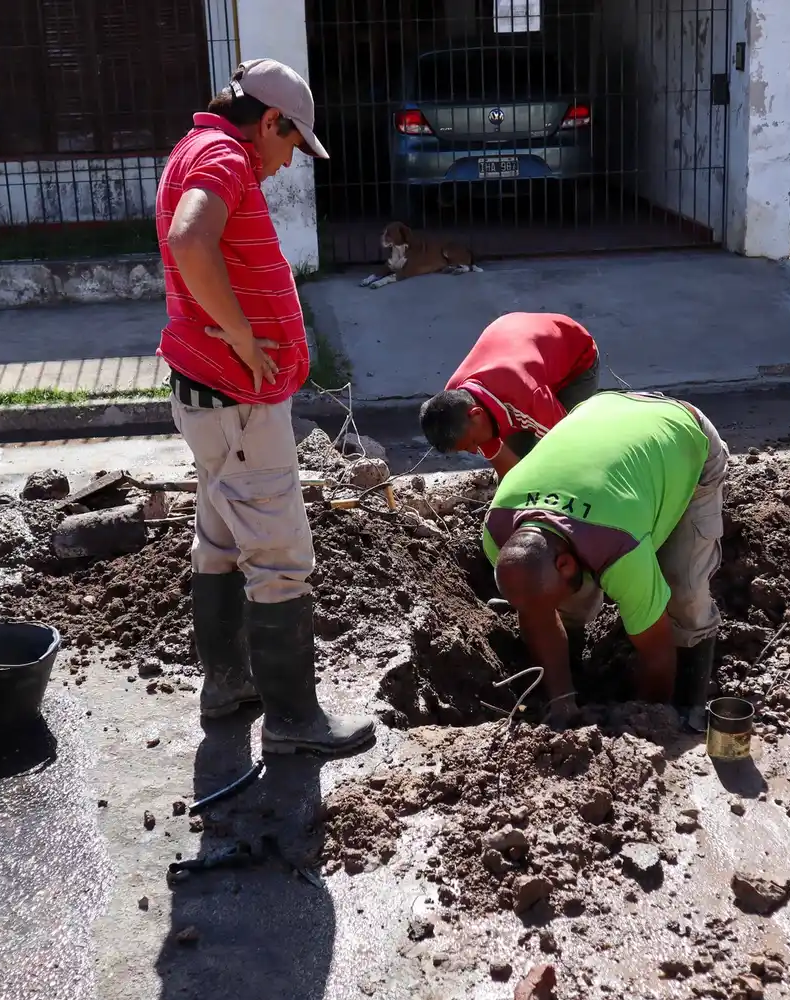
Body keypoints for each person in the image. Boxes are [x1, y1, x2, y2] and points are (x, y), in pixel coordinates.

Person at [156, 58, 374, 755]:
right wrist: (248, 338)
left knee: (221, 541)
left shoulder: (197, 148)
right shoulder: (223, 157)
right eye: (290, 144)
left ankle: (226, 686)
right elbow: (190, 239)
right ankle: (293, 722)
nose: (287, 164)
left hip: (210, 400)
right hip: (237, 402)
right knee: (279, 556)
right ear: (270, 120)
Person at [481, 391, 729, 731]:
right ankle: (572, 673)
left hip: (683, 433)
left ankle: (690, 706)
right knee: (556, 599)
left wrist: (648, 720)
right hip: (601, 413)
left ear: (566, 564)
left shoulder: (619, 548)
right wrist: (561, 702)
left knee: (685, 592)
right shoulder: (497, 534)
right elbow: (535, 612)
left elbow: (658, 656)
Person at [420, 313, 601, 478]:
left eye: (472, 443)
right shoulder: (455, 401)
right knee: (519, 455)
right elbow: (508, 471)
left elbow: (569, 450)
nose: (475, 451)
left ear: (476, 414)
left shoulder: (528, 398)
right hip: (518, 344)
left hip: (575, 356)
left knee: (561, 458)